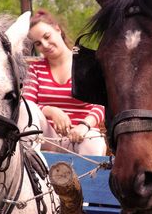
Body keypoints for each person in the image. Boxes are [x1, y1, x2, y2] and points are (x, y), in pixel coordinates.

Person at [21, 9, 106, 156]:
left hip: (83, 136)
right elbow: (27, 104)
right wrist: (52, 111)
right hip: (48, 139)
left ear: (57, 29)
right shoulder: (36, 69)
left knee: (94, 143)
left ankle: (87, 178)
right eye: (38, 43)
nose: (45, 45)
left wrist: (84, 125)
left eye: (47, 37)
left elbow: (101, 104)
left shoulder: (85, 63)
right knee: (25, 108)